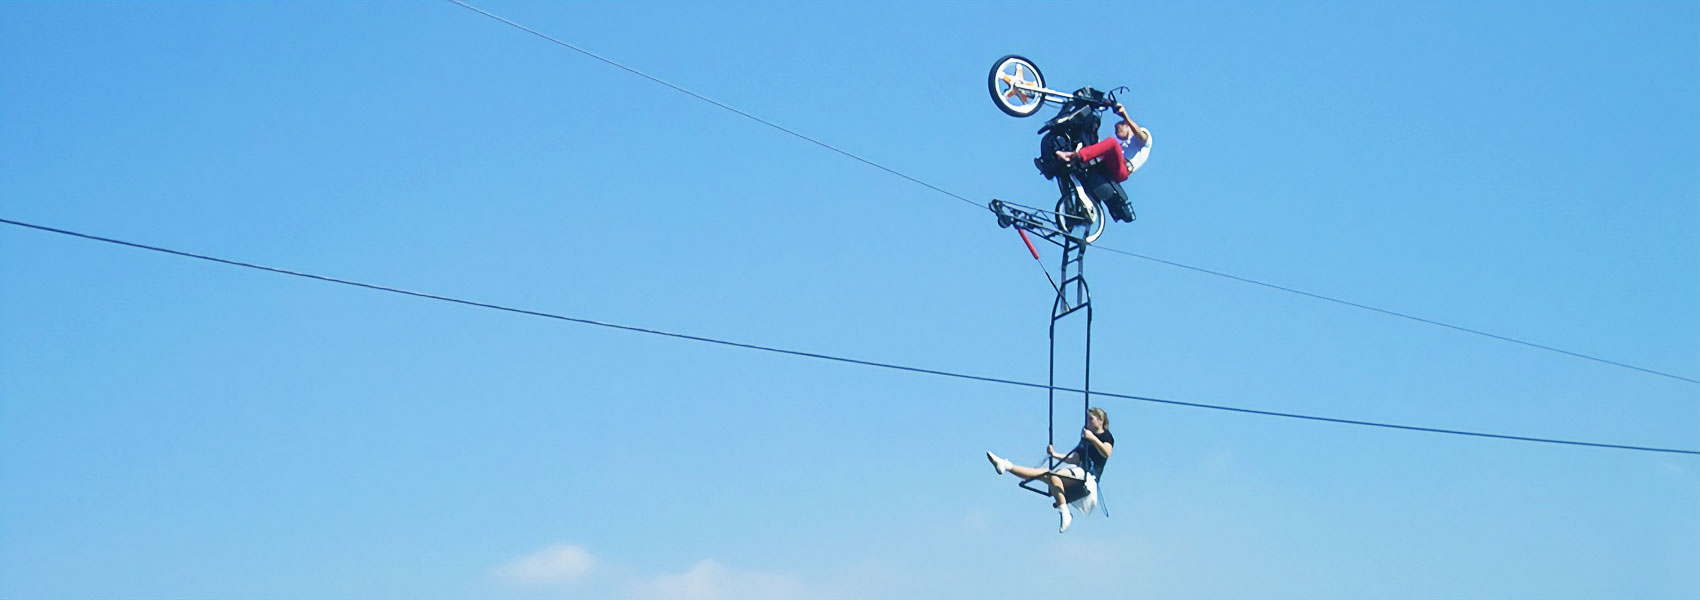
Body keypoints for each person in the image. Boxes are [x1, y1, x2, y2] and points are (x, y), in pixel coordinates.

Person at [986, 407, 1115, 533]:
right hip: (1077, 472)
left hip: (1088, 477)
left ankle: (1064, 512)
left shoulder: (1106, 436)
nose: (1087, 422)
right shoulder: (1085, 438)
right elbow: (1075, 458)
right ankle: (1007, 466)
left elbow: (1106, 452)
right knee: (1043, 474)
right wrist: (1055, 454)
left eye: (1090, 419)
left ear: (1100, 421)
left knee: (1053, 475)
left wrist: (1092, 438)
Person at [1055, 103, 1151, 183]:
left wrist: (1125, 116)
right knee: (1099, 145)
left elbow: (1142, 137)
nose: (1116, 132)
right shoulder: (1122, 147)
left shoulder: (1142, 135)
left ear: (1126, 125)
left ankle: (1072, 156)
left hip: (1122, 171)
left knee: (1111, 143)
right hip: (1109, 167)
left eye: (1118, 127)